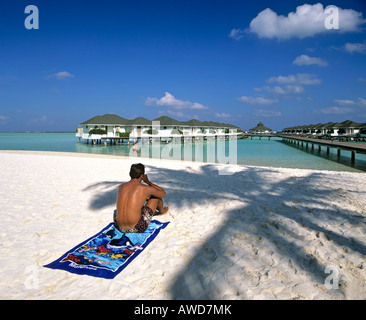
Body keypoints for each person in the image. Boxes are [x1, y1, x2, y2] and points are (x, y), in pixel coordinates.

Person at [114, 163, 169, 233]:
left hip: (119, 227)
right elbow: (163, 194)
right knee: (156, 197)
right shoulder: (145, 188)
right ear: (142, 175)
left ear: (130, 174)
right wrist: (148, 182)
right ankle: (162, 211)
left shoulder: (121, 187)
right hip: (136, 228)